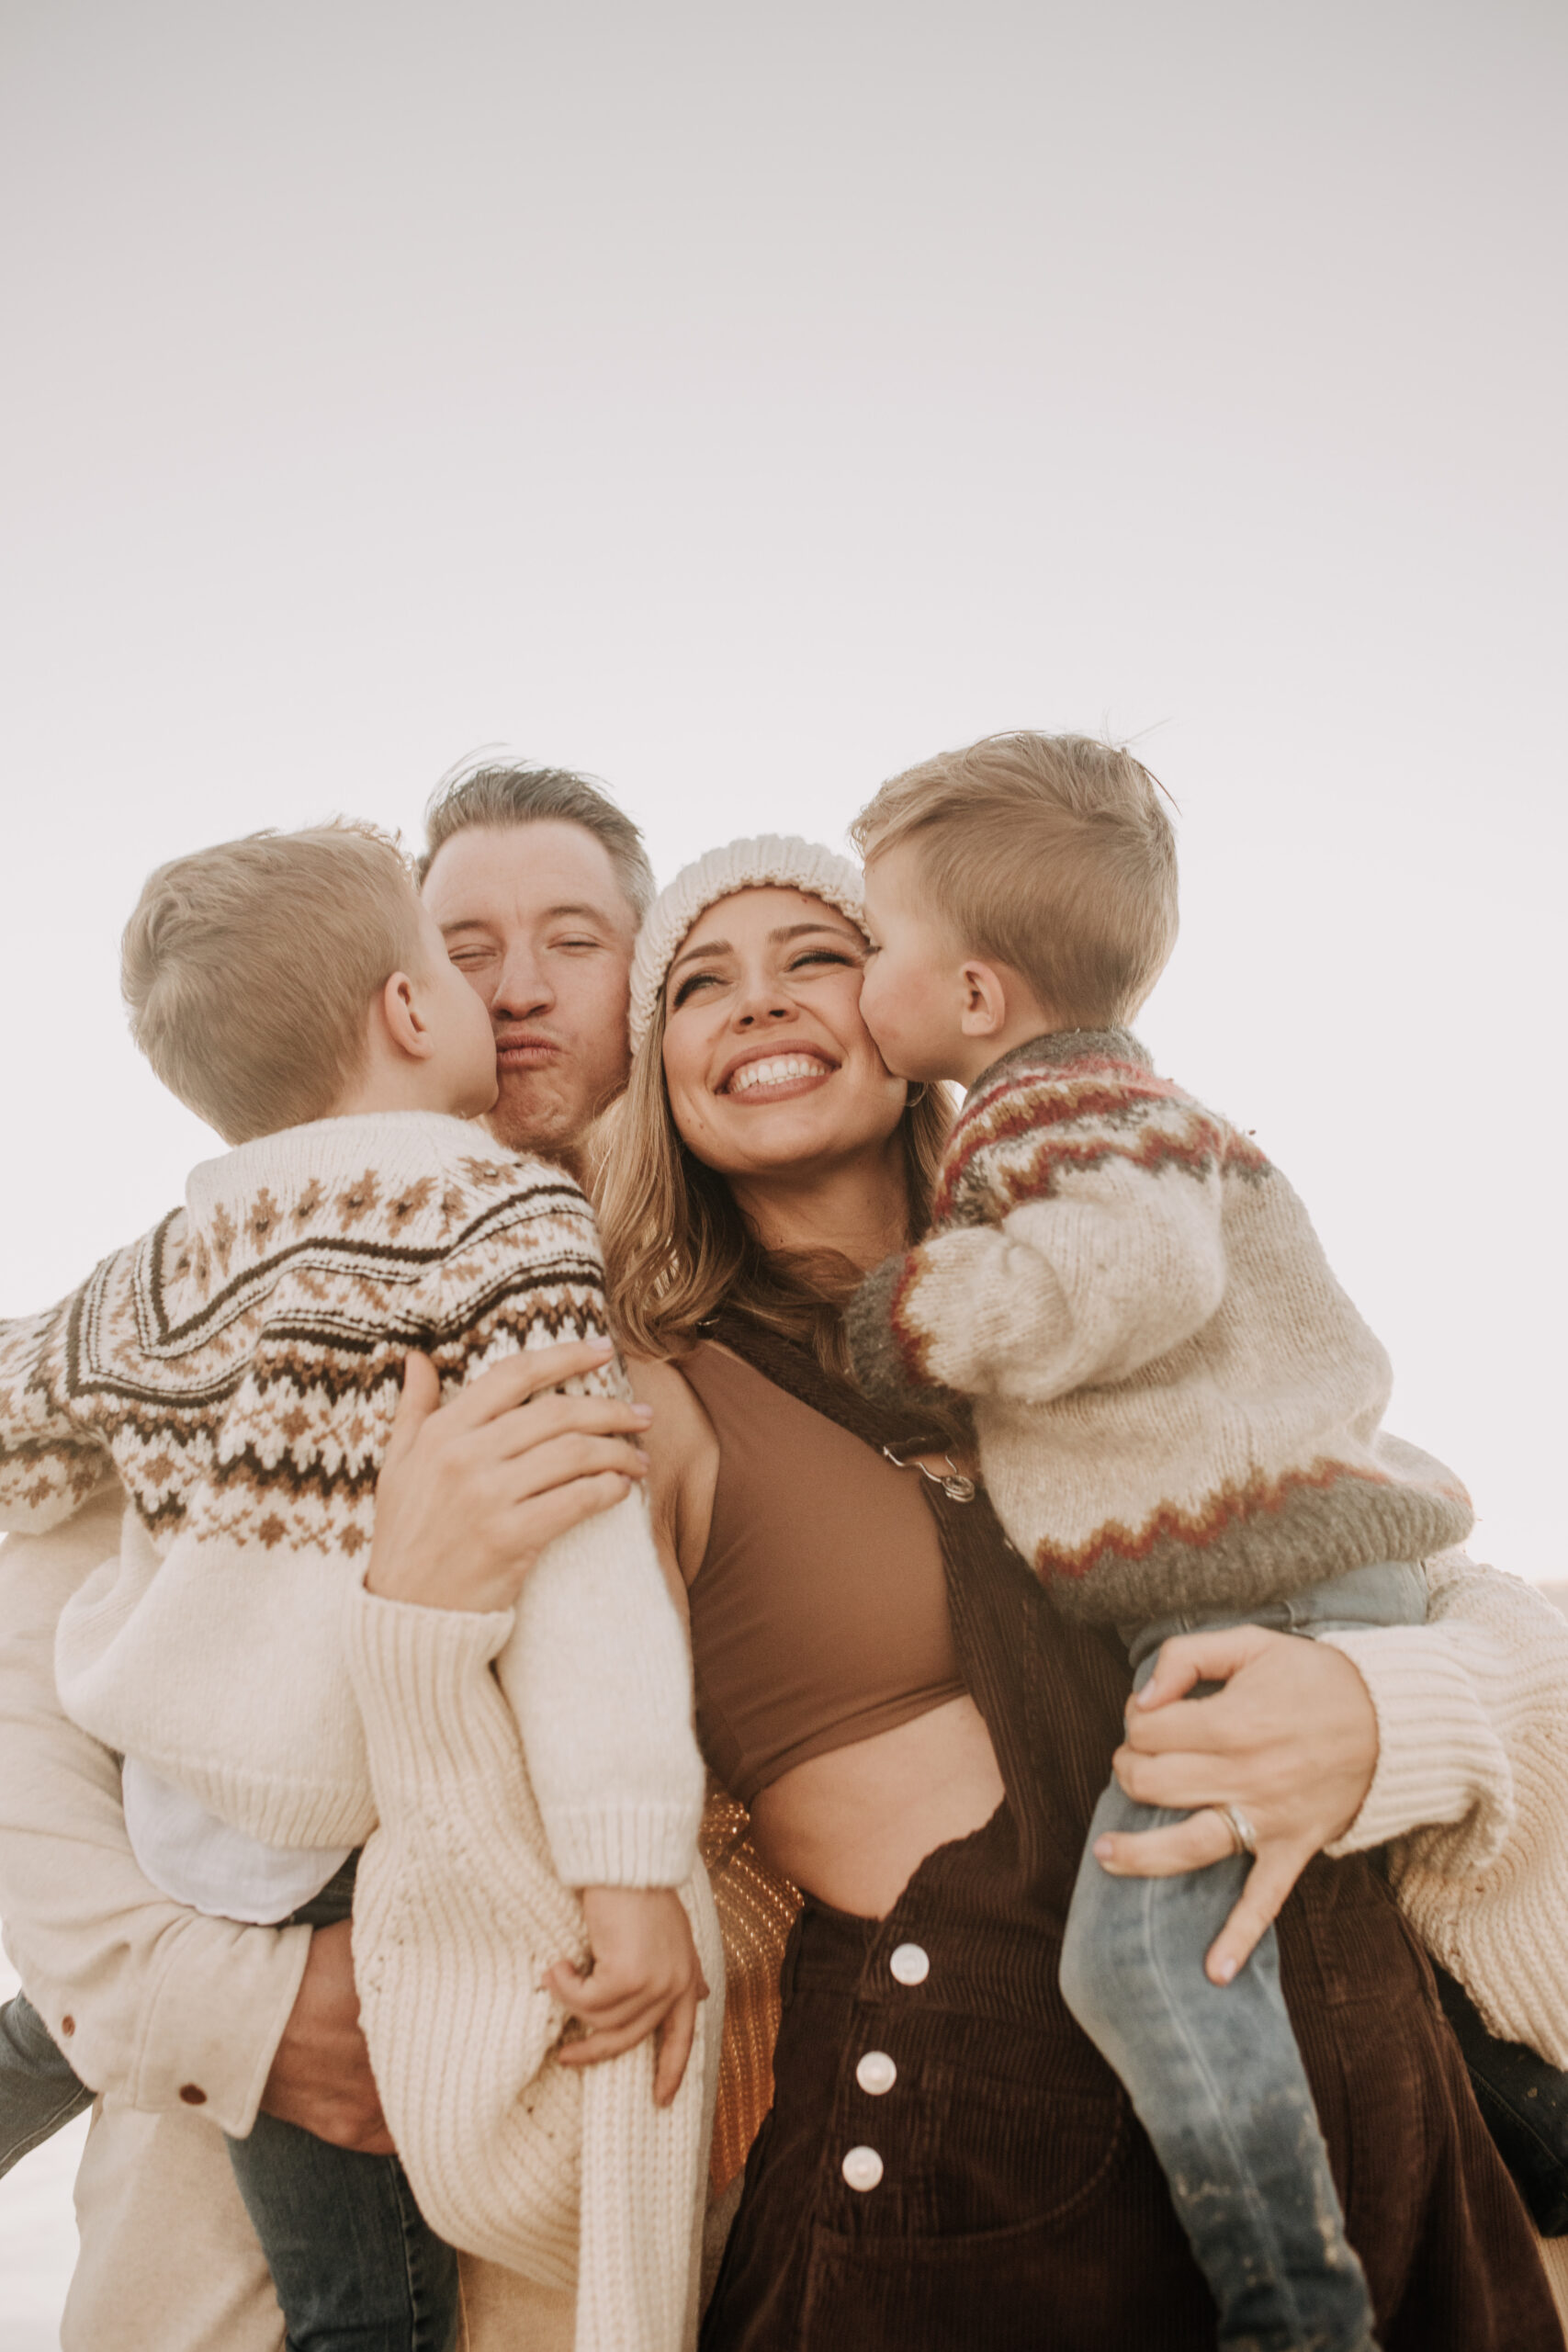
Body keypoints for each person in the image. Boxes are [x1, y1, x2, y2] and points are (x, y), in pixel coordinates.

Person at [587, 831, 1566, 2348]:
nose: (759, 1005)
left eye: (817, 962)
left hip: (1350, 2106)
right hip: (973, 2167)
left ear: (927, 1011)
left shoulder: (1146, 1275)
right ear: (659, 1075)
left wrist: (1386, 1712)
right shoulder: (657, 1388)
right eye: (699, 987)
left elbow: (1448, 1581)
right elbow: (563, 1767)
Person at [0, 759, 694, 2352]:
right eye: (468, 942)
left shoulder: (185, 1268)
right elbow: (27, 1732)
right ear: (405, 998)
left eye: (574, 940)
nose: (513, 989)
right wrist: (237, 2017)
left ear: (647, 980)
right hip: (226, 2214)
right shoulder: (448, 1250)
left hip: (583, 2183)